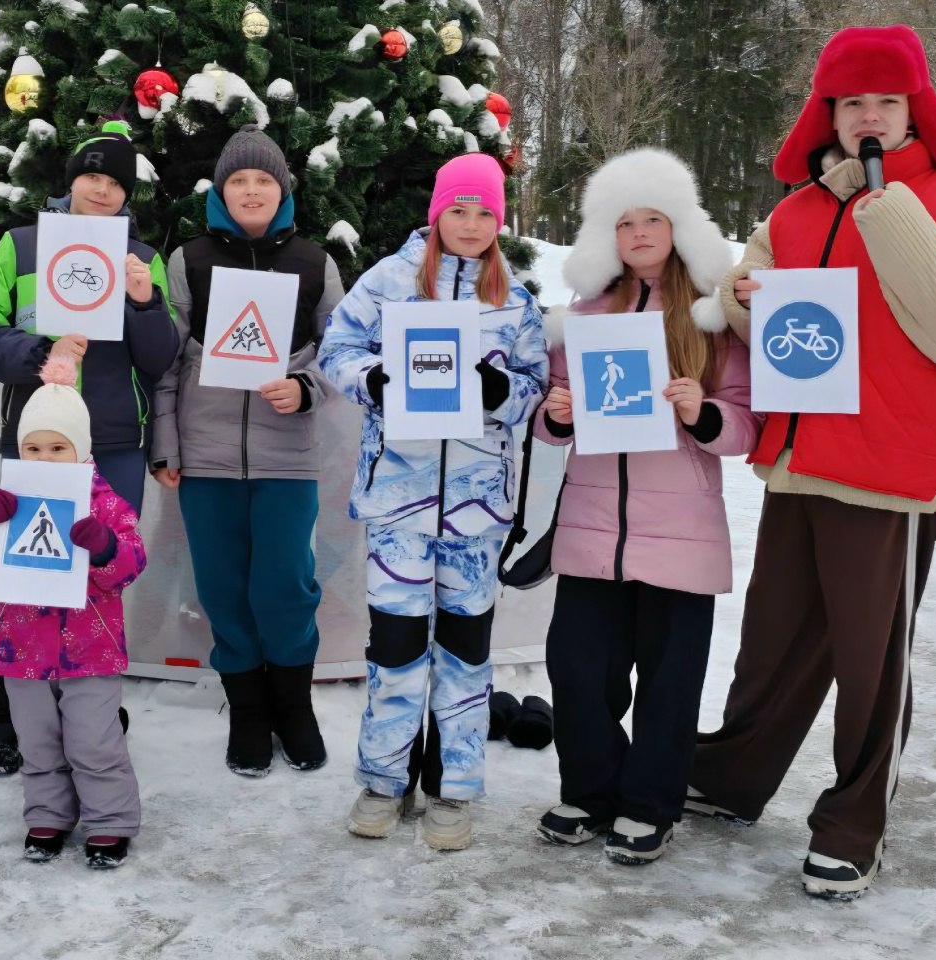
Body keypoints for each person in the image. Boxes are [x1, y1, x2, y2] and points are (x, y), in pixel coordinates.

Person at [687, 24, 936, 899]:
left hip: (897, 474)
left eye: (886, 102)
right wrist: (739, 296)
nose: (868, 118)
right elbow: (752, 308)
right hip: (800, 463)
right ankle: (730, 777)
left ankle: (853, 824)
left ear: (915, 111)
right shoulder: (791, 212)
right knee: (773, 642)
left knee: (872, 662)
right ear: (826, 113)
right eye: (851, 103)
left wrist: (888, 210)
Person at [529, 149, 759, 864]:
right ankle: (591, 790)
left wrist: (701, 413)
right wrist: (558, 412)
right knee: (578, 668)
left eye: (651, 219)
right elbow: (547, 422)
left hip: (679, 532)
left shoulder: (712, 316)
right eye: (623, 222)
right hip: (593, 528)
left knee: (669, 677)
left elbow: (746, 422)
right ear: (607, 235)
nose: (637, 232)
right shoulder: (584, 315)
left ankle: (650, 802)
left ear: (679, 227)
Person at [319, 153, 548, 850]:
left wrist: (500, 393)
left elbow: (537, 387)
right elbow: (335, 351)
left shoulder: (514, 300)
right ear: (438, 213)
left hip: (476, 514)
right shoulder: (389, 281)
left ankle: (454, 786)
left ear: (499, 220)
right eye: (459, 210)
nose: (472, 224)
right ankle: (385, 780)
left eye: (485, 213)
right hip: (399, 505)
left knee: (464, 652)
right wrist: (377, 383)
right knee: (395, 651)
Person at [0, 120, 178, 775]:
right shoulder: (21, 246)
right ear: (71, 181)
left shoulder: (143, 257)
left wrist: (144, 303)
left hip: (111, 443)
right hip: (36, 442)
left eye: (115, 181)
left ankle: (94, 705)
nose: (102, 190)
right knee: (24, 577)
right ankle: (12, 718)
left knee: (99, 578)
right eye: (92, 176)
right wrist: (36, 355)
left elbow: (161, 357)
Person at [149, 125, 345, 777]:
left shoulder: (315, 263)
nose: (252, 190)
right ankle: (249, 713)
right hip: (205, 461)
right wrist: (167, 444)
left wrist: (305, 387)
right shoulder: (191, 260)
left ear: (283, 190)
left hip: (286, 460)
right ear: (221, 191)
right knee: (224, 591)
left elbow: (344, 352)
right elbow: (168, 363)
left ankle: (295, 708)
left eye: (265, 180)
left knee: (285, 586)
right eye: (240, 180)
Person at [0, 355, 145, 868]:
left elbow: (131, 566)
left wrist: (105, 548)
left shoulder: (105, 506)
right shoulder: (8, 502)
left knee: (93, 742)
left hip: (90, 648)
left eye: (58, 448)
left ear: (81, 449)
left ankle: (109, 821)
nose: (44, 458)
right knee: (37, 742)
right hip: (21, 653)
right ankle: (47, 814)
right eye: (33, 448)